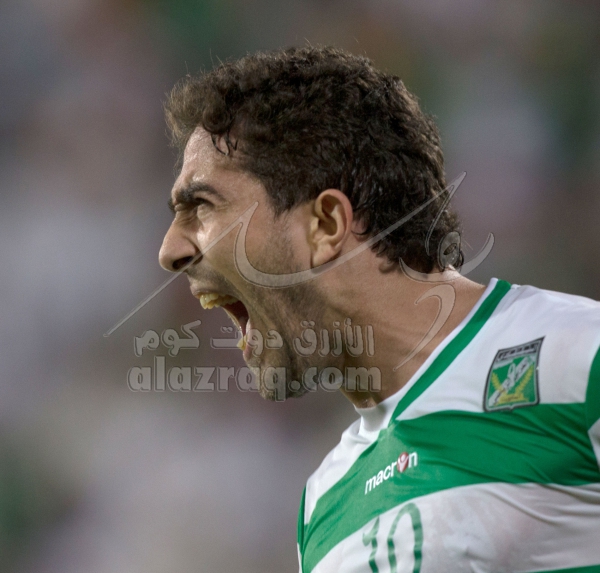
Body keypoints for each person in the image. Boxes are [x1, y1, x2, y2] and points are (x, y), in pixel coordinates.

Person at [158, 46, 600, 573]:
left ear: (325, 225)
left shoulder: (576, 356)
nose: (169, 251)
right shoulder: (322, 505)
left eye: (201, 206)